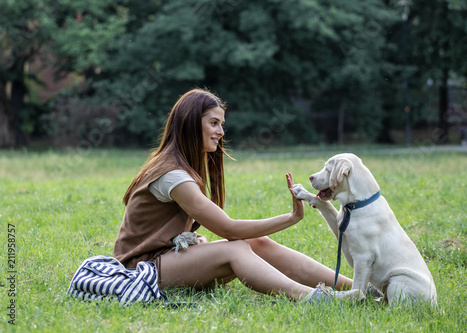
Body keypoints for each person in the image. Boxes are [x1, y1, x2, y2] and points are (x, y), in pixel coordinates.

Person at [112, 88, 362, 302]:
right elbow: (229, 230)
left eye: (222, 124)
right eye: (214, 123)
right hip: (140, 271)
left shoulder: (181, 167)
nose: (221, 132)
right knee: (235, 248)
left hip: (161, 261)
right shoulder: (173, 175)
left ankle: (358, 287)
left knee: (257, 243)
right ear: (190, 123)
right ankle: (310, 297)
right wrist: (291, 218)